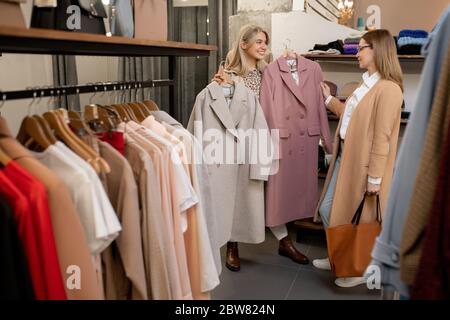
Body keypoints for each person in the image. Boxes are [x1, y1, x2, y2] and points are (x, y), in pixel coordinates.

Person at [213, 24, 309, 272]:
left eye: (265, 41)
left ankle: (283, 241)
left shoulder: (270, 73)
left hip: (265, 139)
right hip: (238, 142)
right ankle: (232, 246)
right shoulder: (230, 73)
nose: (264, 46)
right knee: (239, 192)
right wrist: (222, 88)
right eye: (258, 41)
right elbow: (223, 112)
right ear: (243, 44)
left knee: (270, 191)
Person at [312, 29, 404, 288]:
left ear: (377, 51)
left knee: (357, 219)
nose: (356, 52)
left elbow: (382, 138)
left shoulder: (388, 90)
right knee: (330, 209)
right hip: (345, 159)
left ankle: (359, 268)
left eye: (362, 47)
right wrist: (329, 99)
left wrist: (374, 177)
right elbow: (352, 118)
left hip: (363, 166)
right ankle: (338, 257)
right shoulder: (366, 84)